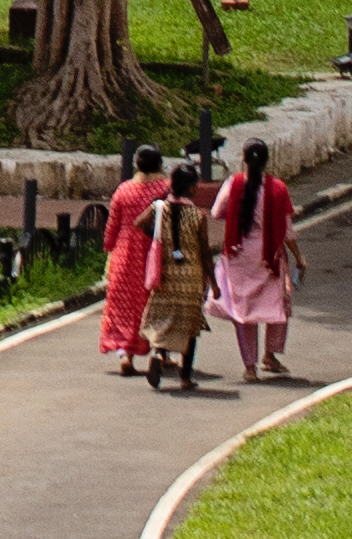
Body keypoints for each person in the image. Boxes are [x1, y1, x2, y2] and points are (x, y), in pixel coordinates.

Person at [216, 158, 302, 382]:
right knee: (277, 305)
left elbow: (217, 212)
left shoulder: (233, 184)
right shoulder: (277, 188)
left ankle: (249, 367)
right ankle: (270, 355)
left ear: (243, 159)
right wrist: (299, 257)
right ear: (266, 160)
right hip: (269, 255)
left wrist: (237, 215)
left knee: (244, 313)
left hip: (240, 255)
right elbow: (287, 230)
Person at [139, 154, 220, 392]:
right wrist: (213, 283)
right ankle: (185, 377)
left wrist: (155, 236)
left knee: (164, 318)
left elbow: (137, 222)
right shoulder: (197, 216)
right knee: (190, 328)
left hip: (165, 276)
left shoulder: (159, 208)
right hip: (191, 277)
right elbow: (205, 252)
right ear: (191, 187)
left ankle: (157, 354)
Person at [95, 143, 168, 369]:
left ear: (136, 164)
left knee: (124, 306)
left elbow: (112, 226)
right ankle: (160, 351)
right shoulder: (165, 188)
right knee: (154, 303)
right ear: (159, 164)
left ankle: (125, 354)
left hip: (124, 253)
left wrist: (109, 247)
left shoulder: (123, 190)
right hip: (155, 252)